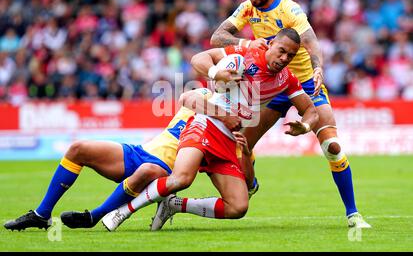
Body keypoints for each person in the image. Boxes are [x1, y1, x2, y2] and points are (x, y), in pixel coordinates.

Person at [101, 27, 319, 232]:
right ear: (271, 44)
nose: (284, 59)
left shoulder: (287, 80)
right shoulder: (247, 53)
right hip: (205, 125)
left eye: (289, 56)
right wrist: (216, 73)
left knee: (238, 207)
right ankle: (123, 212)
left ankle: (174, 205)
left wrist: (306, 125)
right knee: (181, 179)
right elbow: (199, 59)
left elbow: (311, 111)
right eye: (281, 51)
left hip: (230, 142)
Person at [210, 0, 370, 228]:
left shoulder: (290, 9)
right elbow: (218, 36)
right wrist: (246, 43)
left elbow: (311, 42)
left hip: (305, 84)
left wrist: (318, 68)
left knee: (333, 147)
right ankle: (251, 185)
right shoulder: (247, 8)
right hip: (273, 86)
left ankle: (353, 214)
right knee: (242, 146)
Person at [3, 88, 229, 231]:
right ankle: (41, 214)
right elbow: (187, 97)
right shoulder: (203, 96)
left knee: (147, 171)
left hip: (166, 169)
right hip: (141, 151)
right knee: (77, 149)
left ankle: (94, 216)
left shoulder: (232, 120)